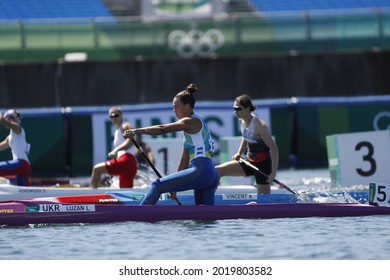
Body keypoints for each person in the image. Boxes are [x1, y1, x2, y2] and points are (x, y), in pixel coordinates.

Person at [123, 83, 219, 205]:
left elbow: (162, 129)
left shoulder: (190, 121)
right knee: (205, 219)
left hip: (201, 170)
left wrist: (136, 131)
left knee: (156, 185)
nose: (174, 110)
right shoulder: (192, 131)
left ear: (187, 106)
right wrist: (174, 188)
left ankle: (137, 218)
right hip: (211, 174)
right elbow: (184, 161)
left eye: (176, 107)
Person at [215, 94, 279, 194]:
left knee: (264, 200)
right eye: (234, 109)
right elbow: (246, 137)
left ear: (247, 109)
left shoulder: (260, 126)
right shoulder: (243, 121)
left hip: (263, 166)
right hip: (249, 162)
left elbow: (274, 148)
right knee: (218, 170)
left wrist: (273, 172)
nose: (235, 112)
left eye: (238, 109)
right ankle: (210, 199)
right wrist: (239, 153)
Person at [89, 107, 137, 189]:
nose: (114, 118)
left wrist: (116, 150)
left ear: (121, 115)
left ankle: (89, 196)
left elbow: (130, 141)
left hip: (126, 161)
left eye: (116, 115)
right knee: (125, 194)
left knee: (97, 169)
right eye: (111, 116)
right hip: (129, 164)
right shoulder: (118, 130)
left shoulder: (125, 125)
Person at [0, 109, 31, 186]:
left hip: (21, 164)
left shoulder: (18, 128)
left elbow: (2, 120)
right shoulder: (10, 137)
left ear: (10, 119)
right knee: (24, 193)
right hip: (23, 167)